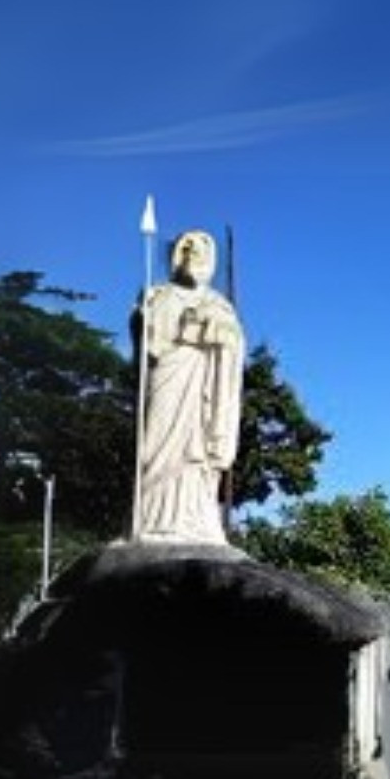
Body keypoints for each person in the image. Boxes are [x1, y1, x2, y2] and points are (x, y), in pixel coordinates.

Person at [134, 229, 244, 544]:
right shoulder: (160, 295)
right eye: (186, 250)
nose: (191, 257)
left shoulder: (218, 304)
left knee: (196, 452)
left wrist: (216, 330)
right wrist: (143, 319)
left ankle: (194, 520)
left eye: (198, 252)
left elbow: (233, 345)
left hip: (204, 384)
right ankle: (150, 519)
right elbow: (151, 346)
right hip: (169, 374)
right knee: (157, 444)